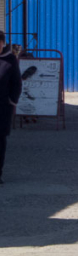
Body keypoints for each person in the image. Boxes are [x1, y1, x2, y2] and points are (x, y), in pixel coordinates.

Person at [0, 30, 22, 185]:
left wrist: (12, 101)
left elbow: (17, 83)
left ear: (2, 43)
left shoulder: (10, 60)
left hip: (2, 108)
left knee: (0, 141)